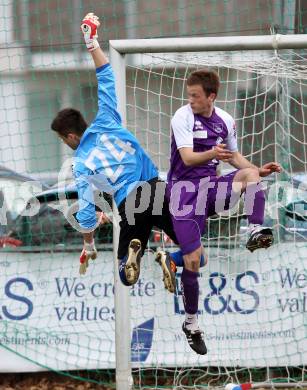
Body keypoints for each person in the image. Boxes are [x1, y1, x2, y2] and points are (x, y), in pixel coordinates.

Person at [50, 13, 182, 289]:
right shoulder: (107, 120)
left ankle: (130, 256)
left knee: (125, 277)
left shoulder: (82, 164)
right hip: (156, 188)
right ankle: (172, 258)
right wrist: (92, 42)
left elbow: (86, 212)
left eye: (64, 140)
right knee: (193, 245)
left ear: (71, 136)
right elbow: (106, 77)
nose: (65, 144)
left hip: (130, 202)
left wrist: (89, 243)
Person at [158, 69, 282, 355]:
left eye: (196, 96)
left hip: (211, 189)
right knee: (195, 260)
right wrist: (213, 154)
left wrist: (256, 168)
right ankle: (191, 323)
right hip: (184, 195)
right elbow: (188, 157)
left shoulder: (225, 120)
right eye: (189, 95)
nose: (190, 100)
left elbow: (234, 156)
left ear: (211, 96)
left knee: (250, 174)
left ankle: (253, 229)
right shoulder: (182, 117)